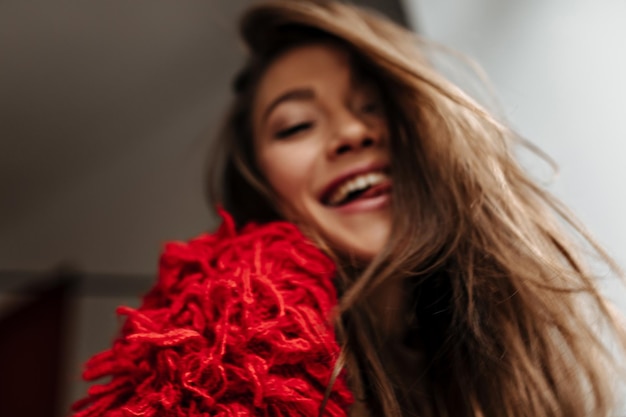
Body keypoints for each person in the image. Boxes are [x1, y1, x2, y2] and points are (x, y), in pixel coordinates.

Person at [72, 1, 626, 416]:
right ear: (265, 190)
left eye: (371, 106)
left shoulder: (496, 356)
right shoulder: (235, 351)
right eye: (296, 126)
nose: (351, 133)